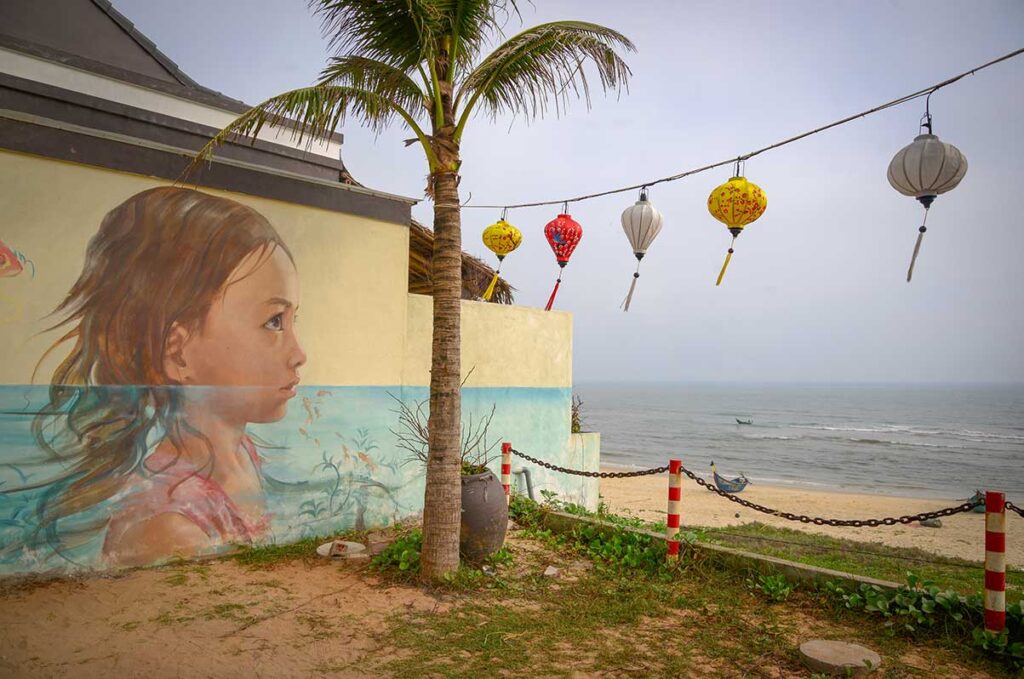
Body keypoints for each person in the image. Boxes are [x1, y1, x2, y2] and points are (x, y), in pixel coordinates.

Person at [30, 186, 306, 567]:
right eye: (274, 321)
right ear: (178, 352)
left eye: (294, 320)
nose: (299, 354)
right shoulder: (170, 530)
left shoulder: (243, 454)